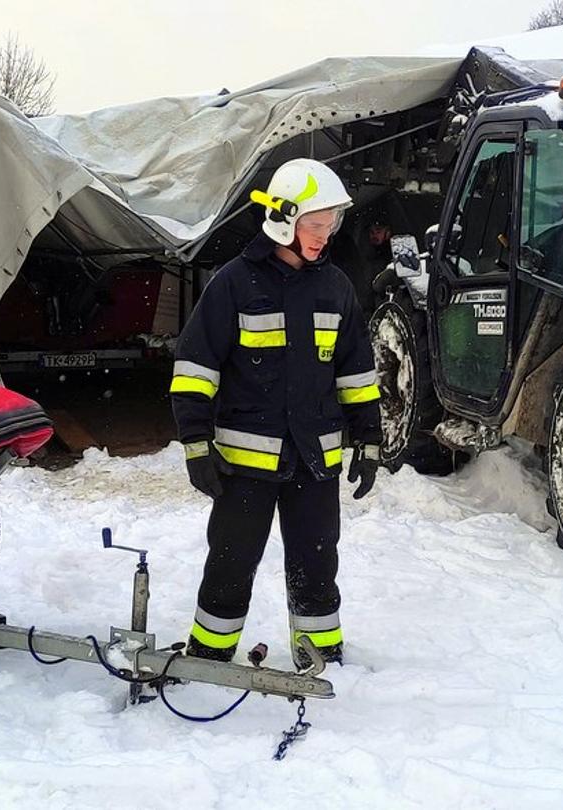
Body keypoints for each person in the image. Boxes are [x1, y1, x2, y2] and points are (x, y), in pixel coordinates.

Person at [168, 158, 383, 668]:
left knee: (316, 561)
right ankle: (210, 655)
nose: (323, 237)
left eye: (330, 225)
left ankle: (321, 655)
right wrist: (197, 446)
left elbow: (356, 372)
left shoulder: (335, 288)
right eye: (314, 225)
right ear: (283, 220)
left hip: (314, 461)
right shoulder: (234, 285)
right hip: (245, 468)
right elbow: (194, 370)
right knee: (231, 561)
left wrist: (369, 439)